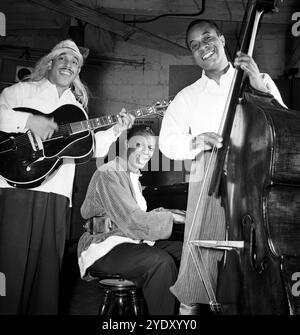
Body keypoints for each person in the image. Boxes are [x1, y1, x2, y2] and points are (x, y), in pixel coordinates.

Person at [159, 19, 286, 313]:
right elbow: (166, 144)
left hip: (253, 177)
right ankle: (188, 309)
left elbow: (282, 121)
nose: (203, 47)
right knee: (200, 258)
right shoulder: (186, 97)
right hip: (208, 179)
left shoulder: (256, 79)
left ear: (222, 39)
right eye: (195, 45)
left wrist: (258, 85)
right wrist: (196, 141)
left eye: (207, 39)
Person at [0, 39, 134, 314]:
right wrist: (28, 122)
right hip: (17, 190)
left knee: (46, 279)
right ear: (50, 63)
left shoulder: (77, 109)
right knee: (10, 269)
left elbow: (90, 150)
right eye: (62, 58)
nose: (68, 65)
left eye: (75, 62)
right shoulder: (22, 91)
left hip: (58, 196)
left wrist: (116, 130)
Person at [78, 125, 185, 315]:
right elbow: (131, 221)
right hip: (104, 245)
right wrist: (171, 217)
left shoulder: (132, 177)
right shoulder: (109, 172)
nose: (146, 152)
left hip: (129, 241)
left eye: (150, 148)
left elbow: (133, 213)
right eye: (140, 145)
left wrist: (175, 213)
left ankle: (186, 311)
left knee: (187, 253)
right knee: (161, 262)